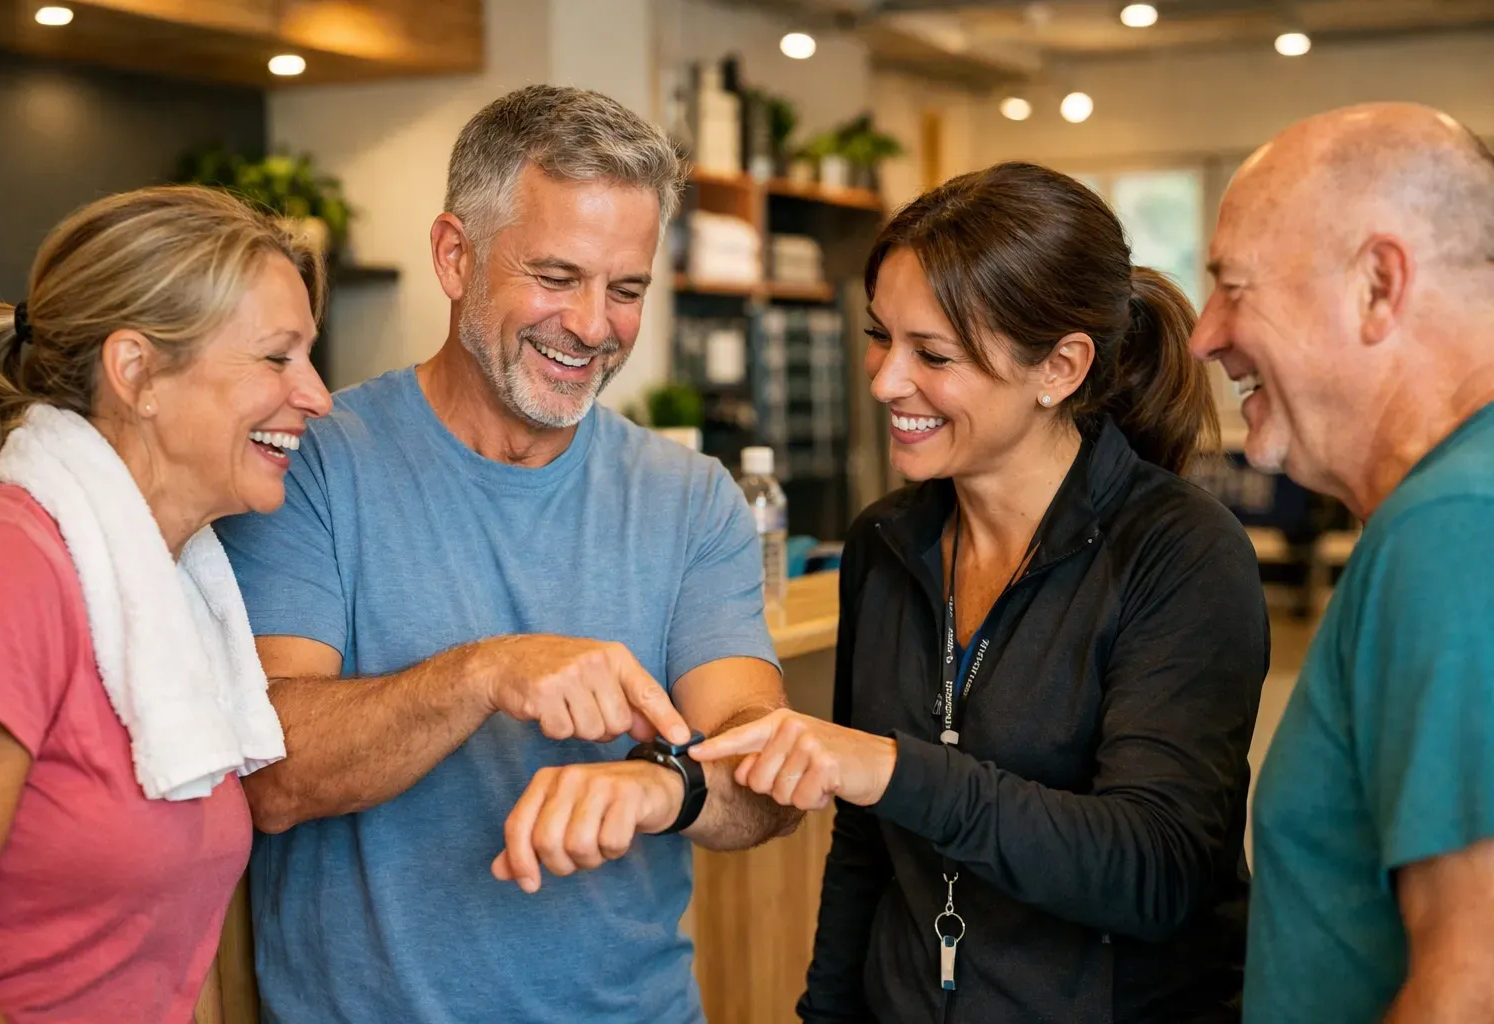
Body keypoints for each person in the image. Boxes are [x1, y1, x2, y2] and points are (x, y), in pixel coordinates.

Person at [211, 84, 795, 1023]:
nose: (594, 326)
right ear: (455, 255)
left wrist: (666, 785)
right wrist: (485, 673)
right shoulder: (308, 463)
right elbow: (271, 778)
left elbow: (765, 782)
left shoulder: (691, 498)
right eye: (557, 277)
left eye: (627, 289)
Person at [691, 162, 1270, 1022]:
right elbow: (866, 851)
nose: (885, 381)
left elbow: (1154, 871)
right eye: (880, 336)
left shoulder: (1179, 551)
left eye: (933, 354)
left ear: (1061, 367)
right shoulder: (886, 543)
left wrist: (892, 768)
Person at [0, 186, 331, 1023]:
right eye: (277, 357)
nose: (317, 395)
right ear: (137, 373)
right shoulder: (3, 566)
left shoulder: (174, 589)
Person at [1189, 103, 1494, 1023]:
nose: (1204, 334)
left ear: (1377, 286)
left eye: (1232, 286)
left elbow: (1473, 982)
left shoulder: (1453, 527)